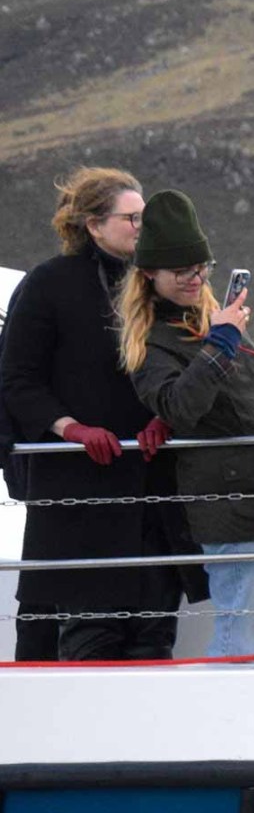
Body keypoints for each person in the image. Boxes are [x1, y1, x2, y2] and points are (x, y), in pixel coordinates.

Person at [118, 192, 254, 656]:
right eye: (182, 272)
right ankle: (228, 719)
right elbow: (179, 408)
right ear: (149, 275)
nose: (195, 279)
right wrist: (221, 342)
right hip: (233, 505)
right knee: (243, 635)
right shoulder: (151, 345)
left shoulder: (216, 323)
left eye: (202, 268)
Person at [0, 166, 183, 660]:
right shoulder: (48, 284)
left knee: (153, 633)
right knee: (85, 635)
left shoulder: (157, 281)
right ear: (94, 225)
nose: (143, 226)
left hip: (152, 487)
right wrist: (70, 428)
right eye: (132, 218)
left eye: (145, 216)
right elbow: (17, 379)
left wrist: (167, 415)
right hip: (78, 488)